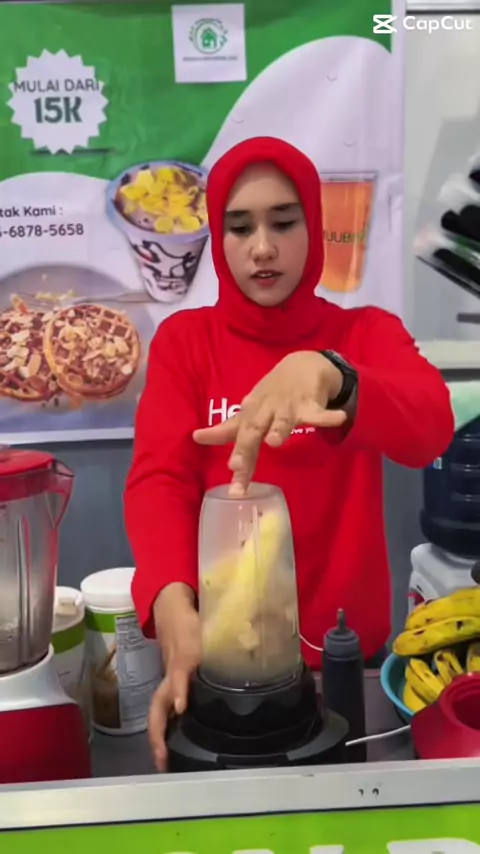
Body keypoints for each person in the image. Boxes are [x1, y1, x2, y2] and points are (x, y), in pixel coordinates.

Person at [125, 136, 454, 770]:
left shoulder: (363, 333)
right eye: (240, 227)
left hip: (344, 661)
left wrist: (334, 374)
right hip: (220, 660)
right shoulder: (186, 342)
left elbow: (431, 428)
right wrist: (170, 599)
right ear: (218, 238)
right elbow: (159, 480)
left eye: (283, 222)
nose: (263, 248)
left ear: (315, 227)